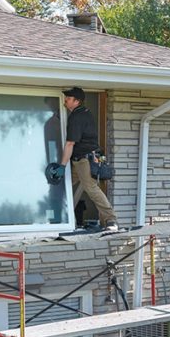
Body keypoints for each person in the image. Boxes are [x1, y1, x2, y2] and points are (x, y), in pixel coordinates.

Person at [57, 87, 118, 231]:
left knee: (91, 189)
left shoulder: (77, 117)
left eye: (69, 98)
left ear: (77, 101)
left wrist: (62, 165)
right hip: (81, 160)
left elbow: (70, 143)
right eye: (66, 98)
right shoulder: (85, 113)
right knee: (61, 186)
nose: (65, 101)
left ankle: (111, 220)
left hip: (84, 160)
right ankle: (56, 218)